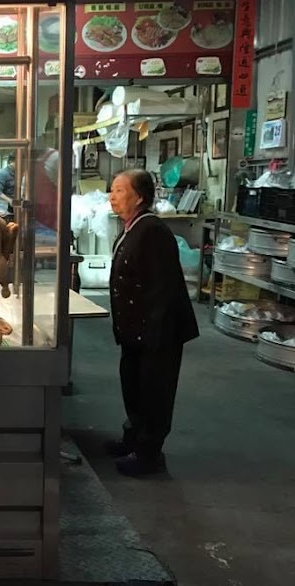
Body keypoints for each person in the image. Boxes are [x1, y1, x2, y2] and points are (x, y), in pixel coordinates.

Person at [106, 169, 199, 477]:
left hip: (158, 332)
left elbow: (163, 288)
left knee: (154, 392)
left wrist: (154, 336)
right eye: (113, 190)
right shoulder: (131, 228)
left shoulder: (153, 231)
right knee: (133, 386)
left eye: (120, 190)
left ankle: (149, 455)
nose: (112, 196)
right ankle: (133, 440)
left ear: (140, 197)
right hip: (137, 331)